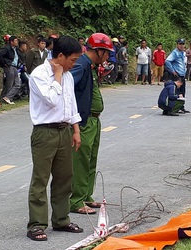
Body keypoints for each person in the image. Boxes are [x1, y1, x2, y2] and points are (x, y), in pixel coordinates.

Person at [27, 36, 83, 241]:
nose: (74, 64)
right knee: (40, 179)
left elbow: (71, 104)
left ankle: (61, 219)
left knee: (64, 177)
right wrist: (57, 75)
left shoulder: (67, 74)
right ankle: (36, 225)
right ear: (60, 56)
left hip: (64, 130)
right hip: (45, 132)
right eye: (73, 60)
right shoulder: (39, 74)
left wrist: (76, 130)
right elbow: (51, 100)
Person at [69, 33, 114, 214]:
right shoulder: (81, 64)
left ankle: (86, 196)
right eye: (107, 53)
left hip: (94, 120)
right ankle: (76, 201)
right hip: (84, 121)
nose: (109, 56)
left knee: (91, 160)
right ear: (99, 50)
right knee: (81, 161)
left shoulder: (91, 66)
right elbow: (67, 85)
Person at [165, 38, 190, 113]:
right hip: (177, 75)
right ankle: (176, 107)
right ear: (177, 44)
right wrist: (172, 70)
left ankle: (181, 106)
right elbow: (167, 61)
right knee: (177, 92)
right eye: (180, 44)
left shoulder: (182, 53)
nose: (181, 45)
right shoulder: (175, 53)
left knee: (182, 91)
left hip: (182, 75)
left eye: (183, 44)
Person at [0, 35, 22, 104]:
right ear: (11, 42)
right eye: (16, 41)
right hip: (9, 66)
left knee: (17, 83)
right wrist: (4, 63)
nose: (17, 42)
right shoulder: (7, 48)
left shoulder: (15, 49)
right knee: (9, 83)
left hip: (15, 67)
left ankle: (7, 97)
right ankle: (3, 98)